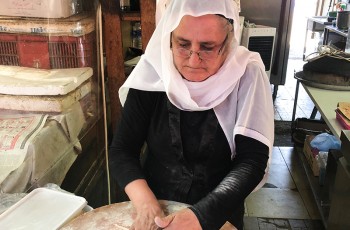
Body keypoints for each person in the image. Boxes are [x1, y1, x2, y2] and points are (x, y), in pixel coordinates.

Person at [109, 0, 274, 229]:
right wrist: (145, 201)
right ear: (169, 38)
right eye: (183, 44)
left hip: (220, 209)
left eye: (207, 47)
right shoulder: (154, 72)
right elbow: (122, 150)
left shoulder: (246, 75)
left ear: (227, 44)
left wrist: (202, 216)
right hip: (156, 203)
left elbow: (251, 161)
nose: (193, 60)